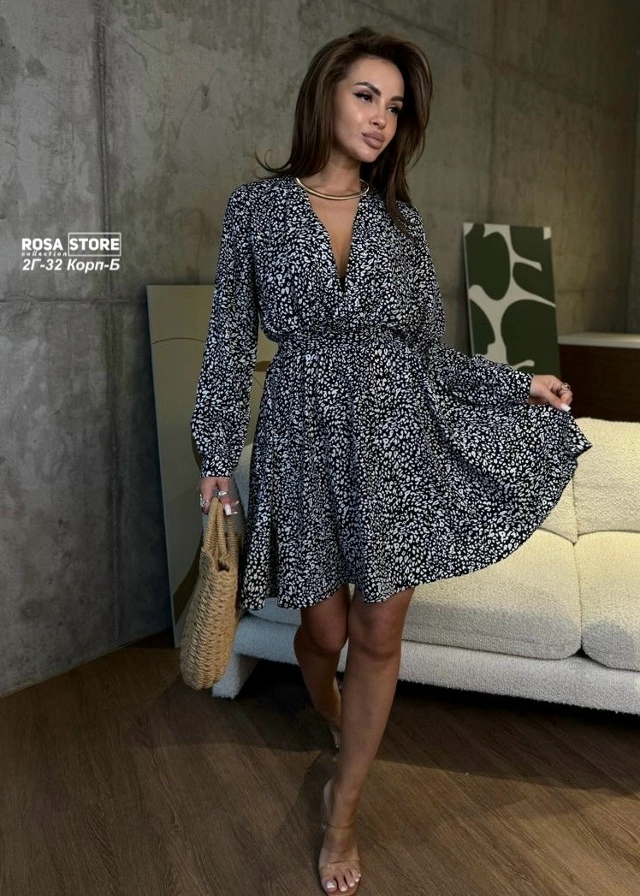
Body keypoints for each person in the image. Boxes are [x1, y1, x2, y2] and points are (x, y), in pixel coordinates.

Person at [191, 27, 591, 895]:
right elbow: (227, 346)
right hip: (300, 442)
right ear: (327, 94)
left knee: (377, 634)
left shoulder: (401, 223)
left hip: (397, 445)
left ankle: (343, 808)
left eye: (396, 107)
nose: (381, 118)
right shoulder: (256, 210)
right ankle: (332, 718)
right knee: (324, 632)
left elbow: (429, 359)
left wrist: (516, 385)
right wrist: (216, 455)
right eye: (367, 95)